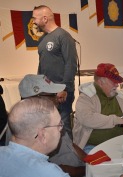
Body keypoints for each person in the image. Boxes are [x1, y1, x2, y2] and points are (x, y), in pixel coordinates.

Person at [18, 74, 86, 177]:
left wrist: (89, 160)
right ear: (37, 98)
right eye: (53, 94)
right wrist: (87, 170)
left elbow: (69, 143)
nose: (57, 98)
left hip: (79, 171)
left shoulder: (49, 117)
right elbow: (55, 170)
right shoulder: (26, 128)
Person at [33, 5, 77, 138]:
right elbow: (42, 66)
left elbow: (71, 64)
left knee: (63, 126)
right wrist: (38, 87)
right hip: (46, 92)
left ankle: (69, 157)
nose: (34, 21)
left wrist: (64, 88)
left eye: (35, 18)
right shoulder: (42, 40)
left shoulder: (63, 36)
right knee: (49, 127)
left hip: (61, 91)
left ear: (45, 18)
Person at [72, 63, 123, 153]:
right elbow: (88, 119)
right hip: (93, 147)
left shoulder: (120, 97)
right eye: (113, 81)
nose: (117, 85)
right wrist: (119, 120)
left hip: (121, 144)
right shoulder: (86, 97)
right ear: (101, 82)